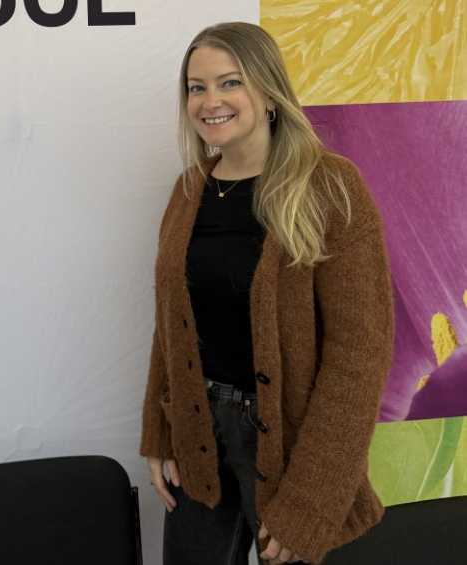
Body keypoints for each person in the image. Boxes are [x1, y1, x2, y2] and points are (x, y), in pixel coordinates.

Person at [140, 22, 394, 565]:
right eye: (196, 87)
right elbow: (171, 326)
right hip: (196, 431)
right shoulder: (189, 189)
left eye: (230, 82)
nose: (210, 101)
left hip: (291, 447)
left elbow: (359, 355)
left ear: (270, 93)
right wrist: (161, 433)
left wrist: (312, 499)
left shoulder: (330, 186)